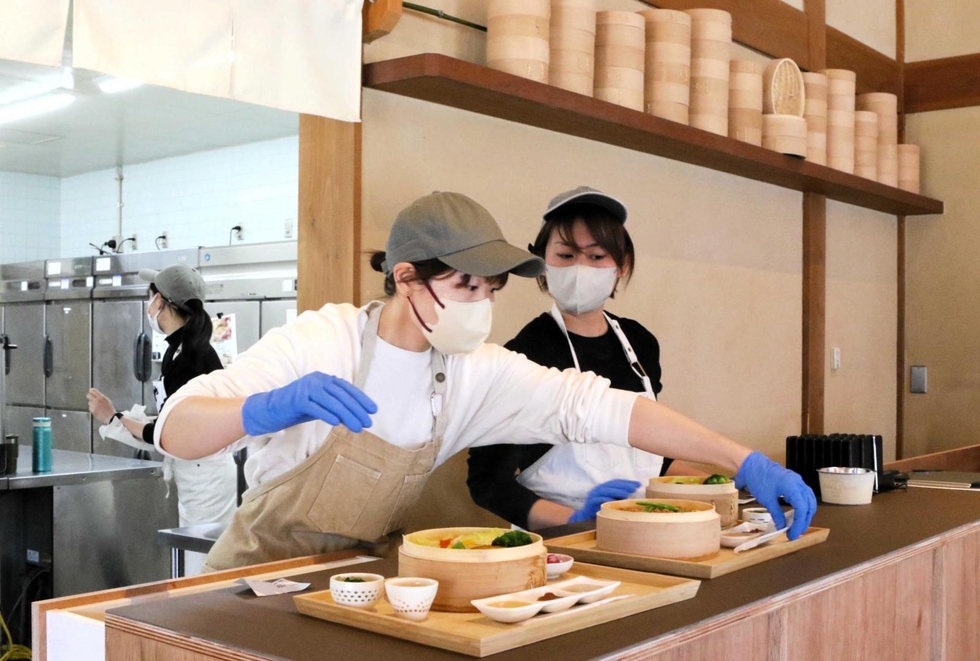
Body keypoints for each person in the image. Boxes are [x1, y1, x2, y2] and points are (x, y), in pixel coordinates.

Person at [153, 191, 816, 572]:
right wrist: (265, 407)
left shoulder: (473, 372)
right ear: (405, 275)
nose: (480, 302)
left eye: (490, 287)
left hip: (359, 581)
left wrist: (742, 458)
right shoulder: (323, 339)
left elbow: (605, 408)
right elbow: (176, 428)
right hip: (252, 579)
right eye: (464, 282)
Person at [468, 186, 703, 530]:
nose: (580, 268)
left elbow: (652, 455)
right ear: (542, 264)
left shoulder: (639, 343)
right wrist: (578, 521)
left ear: (621, 266)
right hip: (560, 545)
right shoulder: (524, 354)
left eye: (596, 257)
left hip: (642, 530)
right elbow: (487, 483)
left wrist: (725, 482)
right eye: (565, 256)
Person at [87, 265, 238, 575]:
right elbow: (170, 422)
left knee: (204, 569)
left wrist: (113, 417)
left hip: (206, 479)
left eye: (151, 296)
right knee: (198, 563)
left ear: (161, 302)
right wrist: (119, 421)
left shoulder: (191, 358)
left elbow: (166, 430)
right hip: (195, 472)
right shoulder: (181, 350)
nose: (150, 304)